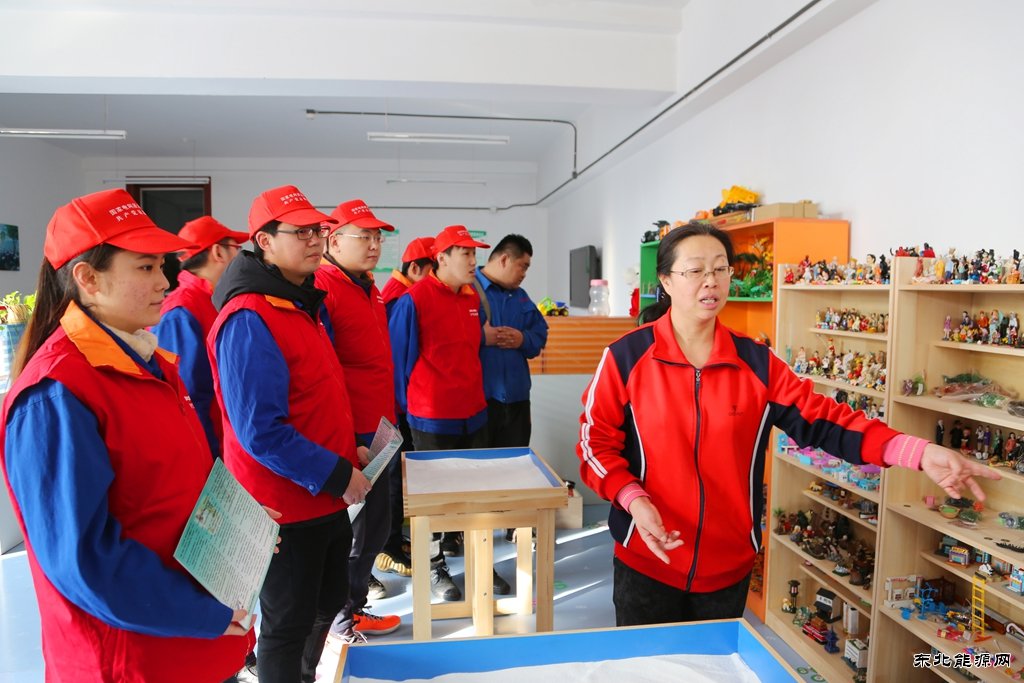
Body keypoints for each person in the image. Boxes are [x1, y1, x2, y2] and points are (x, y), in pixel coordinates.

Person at [577, 221, 1001, 627]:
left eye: (721, 269)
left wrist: (919, 452)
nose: (711, 281)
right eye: (695, 271)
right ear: (666, 281)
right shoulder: (625, 358)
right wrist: (633, 499)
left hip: (727, 569)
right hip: (647, 560)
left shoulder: (757, 364)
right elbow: (596, 445)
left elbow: (827, 420)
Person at [0, 188, 255, 682]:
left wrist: (240, 526)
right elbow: (84, 561)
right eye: (145, 267)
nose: (165, 281)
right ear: (88, 278)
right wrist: (202, 613)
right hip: (135, 657)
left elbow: (170, 485)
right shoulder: (57, 393)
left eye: (161, 265)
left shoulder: (148, 361)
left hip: (192, 640)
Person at [209, 184, 370, 683]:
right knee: (287, 624)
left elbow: (313, 398)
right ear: (264, 241)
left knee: (326, 601)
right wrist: (338, 472)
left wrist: (348, 451)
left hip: (323, 496)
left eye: (317, 229)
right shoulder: (249, 317)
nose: (315, 239)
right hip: (285, 506)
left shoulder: (298, 304)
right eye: (299, 232)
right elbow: (260, 430)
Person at [389, 224, 494, 601]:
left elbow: (474, 352)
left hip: (474, 412)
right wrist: (407, 412)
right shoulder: (413, 300)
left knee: (475, 495)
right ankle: (434, 567)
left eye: (474, 253)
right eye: (465, 253)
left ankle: (482, 563)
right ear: (442, 258)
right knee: (433, 500)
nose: (473, 261)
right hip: (432, 416)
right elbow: (398, 363)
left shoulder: (471, 297)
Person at [313, 198, 401, 642]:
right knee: (356, 530)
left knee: (376, 526)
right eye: (363, 236)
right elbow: (326, 372)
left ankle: (355, 606)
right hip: (354, 434)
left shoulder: (368, 286)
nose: (373, 245)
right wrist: (345, 437)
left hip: (382, 426)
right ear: (333, 240)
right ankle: (341, 617)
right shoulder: (323, 288)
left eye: (377, 237)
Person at [153, 216, 248, 458]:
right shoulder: (180, 312)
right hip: (211, 452)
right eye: (236, 249)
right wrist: (210, 460)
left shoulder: (217, 301)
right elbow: (187, 399)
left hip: (231, 444)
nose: (239, 257)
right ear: (218, 252)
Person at [474, 234, 548, 545]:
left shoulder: (520, 297)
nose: (524, 274)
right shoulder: (470, 291)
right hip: (480, 399)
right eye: (523, 266)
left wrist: (522, 339)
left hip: (517, 397)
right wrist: (482, 337)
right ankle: (472, 532)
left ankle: (514, 524)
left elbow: (540, 334)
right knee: (477, 470)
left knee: (516, 465)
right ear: (504, 259)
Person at [375, 235, 436, 581]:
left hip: (396, 405)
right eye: (433, 270)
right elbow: (397, 362)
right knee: (393, 479)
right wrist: (402, 410)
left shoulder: (395, 294)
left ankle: (393, 539)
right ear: (415, 269)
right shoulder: (401, 300)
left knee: (398, 477)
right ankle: (389, 546)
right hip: (395, 408)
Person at [380, 236, 435, 313]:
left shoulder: (402, 287)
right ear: (414, 268)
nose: (435, 277)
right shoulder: (399, 298)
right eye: (431, 272)